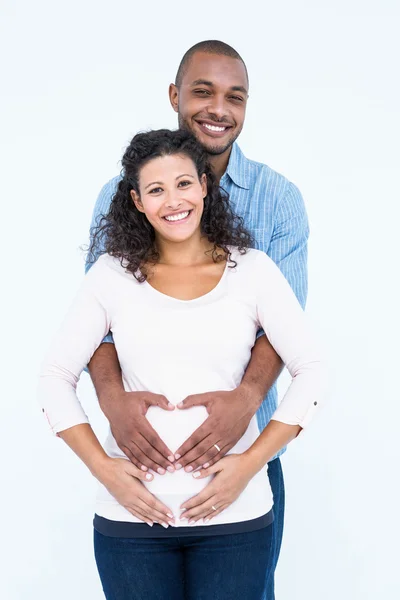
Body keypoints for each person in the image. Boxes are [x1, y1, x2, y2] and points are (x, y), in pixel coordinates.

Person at [38, 129, 323, 600]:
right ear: (136, 201)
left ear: (205, 187)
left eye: (185, 184)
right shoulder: (110, 274)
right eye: (156, 189)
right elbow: (54, 378)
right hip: (132, 521)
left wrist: (252, 463)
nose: (174, 200)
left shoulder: (251, 269)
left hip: (235, 518)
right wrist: (102, 468)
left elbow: (311, 368)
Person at [87, 40, 309, 598]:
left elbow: (287, 334)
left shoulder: (277, 199)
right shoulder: (120, 198)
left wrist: (246, 400)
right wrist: (113, 403)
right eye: (203, 91)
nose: (219, 108)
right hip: (143, 463)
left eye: (235, 97)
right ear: (174, 96)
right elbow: (95, 327)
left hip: (245, 458)